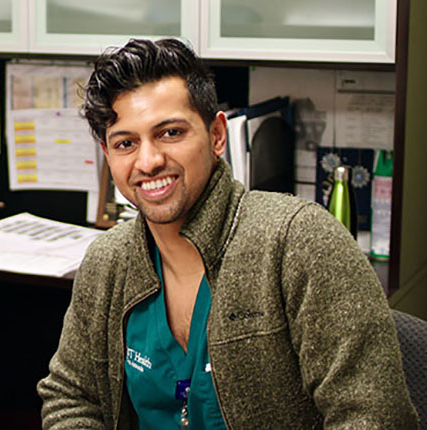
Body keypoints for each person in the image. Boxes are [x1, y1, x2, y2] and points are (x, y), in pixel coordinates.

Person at [37, 38, 418, 429]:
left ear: (217, 135)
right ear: (108, 155)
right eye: (126, 143)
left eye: (170, 133)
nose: (148, 161)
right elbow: (71, 396)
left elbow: (375, 416)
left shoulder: (298, 242)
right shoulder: (108, 262)